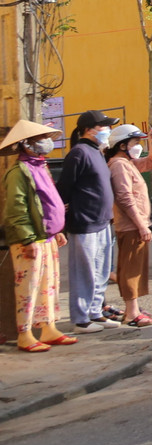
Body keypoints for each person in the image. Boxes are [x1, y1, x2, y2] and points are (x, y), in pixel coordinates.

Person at [2, 120, 76, 351]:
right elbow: (16, 208)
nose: (46, 143)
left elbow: (46, 202)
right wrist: (27, 239)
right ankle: (24, 334)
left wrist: (57, 232)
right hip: (31, 240)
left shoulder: (39, 167)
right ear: (26, 145)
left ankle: (49, 328)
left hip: (47, 237)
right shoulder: (18, 171)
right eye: (39, 140)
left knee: (49, 286)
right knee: (29, 288)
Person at [56, 109, 121, 333]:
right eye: (104, 126)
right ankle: (81, 318)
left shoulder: (97, 151)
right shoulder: (79, 153)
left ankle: (95, 312)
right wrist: (60, 224)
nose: (107, 130)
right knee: (84, 272)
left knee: (101, 271)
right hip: (84, 222)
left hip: (102, 221)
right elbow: (64, 189)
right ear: (88, 130)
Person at [106, 124, 152, 327]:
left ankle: (134, 309)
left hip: (136, 224)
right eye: (135, 142)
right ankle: (131, 313)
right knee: (130, 269)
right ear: (122, 145)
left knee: (136, 269)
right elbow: (124, 197)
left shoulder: (127, 162)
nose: (138, 145)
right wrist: (141, 225)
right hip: (131, 225)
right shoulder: (119, 165)